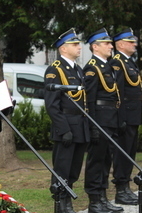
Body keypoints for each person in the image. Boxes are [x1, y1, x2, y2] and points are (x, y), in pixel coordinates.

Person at [44, 28, 89, 213]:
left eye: (78, 44)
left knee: (74, 169)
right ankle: (61, 203)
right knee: (62, 168)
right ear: (63, 49)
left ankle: (68, 198)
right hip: (66, 128)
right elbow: (52, 105)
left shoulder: (77, 69)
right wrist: (64, 130)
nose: (79, 47)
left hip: (80, 126)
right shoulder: (54, 70)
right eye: (74, 44)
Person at [83, 28, 123, 213]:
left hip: (110, 120)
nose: (110, 46)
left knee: (107, 161)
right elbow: (88, 99)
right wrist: (92, 125)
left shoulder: (107, 66)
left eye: (110, 43)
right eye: (106, 43)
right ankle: (94, 201)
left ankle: (103, 198)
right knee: (96, 161)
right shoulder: (92, 68)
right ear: (95, 47)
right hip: (99, 120)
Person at [109, 28, 142, 205]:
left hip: (133, 115)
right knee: (122, 154)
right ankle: (121, 190)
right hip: (125, 116)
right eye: (131, 42)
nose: (134, 44)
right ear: (121, 44)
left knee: (130, 152)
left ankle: (126, 187)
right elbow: (118, 93)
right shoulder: (117, 62)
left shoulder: (129, 62)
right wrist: (120, 118)